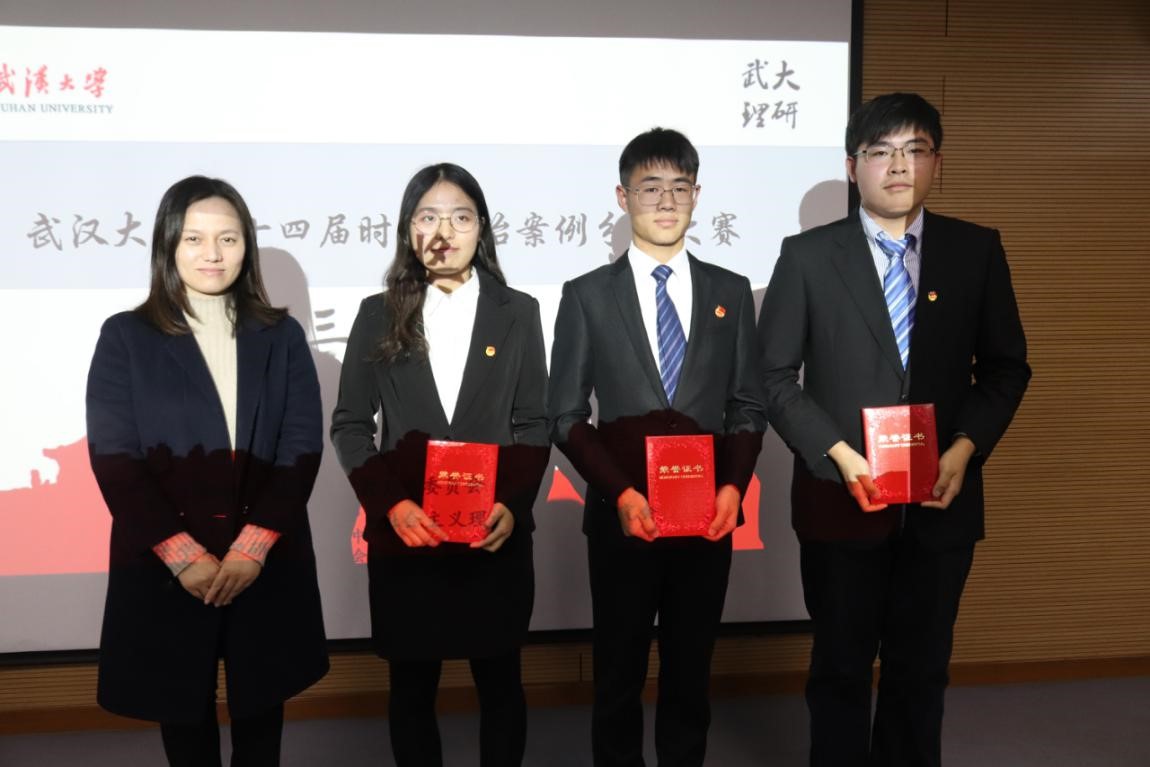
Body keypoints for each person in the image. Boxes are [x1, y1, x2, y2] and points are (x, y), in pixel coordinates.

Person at [757, 92, 1031, 766]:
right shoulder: (807, 256)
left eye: (914, 150)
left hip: (941, 500)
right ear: (853, 167)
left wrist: (965, 448)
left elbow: (1005, 369)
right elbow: (770, 376)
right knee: (840, 668)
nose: (899, 165)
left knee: (922, 669)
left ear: (937, 162)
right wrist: (837, 453)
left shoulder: (975, 250)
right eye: (880, 151)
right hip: (841, 498)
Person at [86, 175, 329, 766]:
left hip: (263, 562)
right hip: (168, 566)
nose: (212, 253)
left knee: (261, 722)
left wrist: (253, 547)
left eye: (228, 238)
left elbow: (300, 446)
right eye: (194, 238)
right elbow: (116, 459)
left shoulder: (281, 336)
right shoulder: (126, 336)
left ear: (246, 246)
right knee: (184, 725)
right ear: (168, 244)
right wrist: (182, 555)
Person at [548, 128, 767, 766]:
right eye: (650, 188)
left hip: (707, 518)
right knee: (617, 676)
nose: (666, 201)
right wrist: (619, 492)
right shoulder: (587, 295)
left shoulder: (731, 291)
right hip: (623, 516)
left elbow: (748, 404)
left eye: (679, 187)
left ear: (697, 195)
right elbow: (565, 415)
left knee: (690, 675)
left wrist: (733, 486)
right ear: (623, 198)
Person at [330, 163, 550, 767]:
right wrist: (391, 506)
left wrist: (513, 504)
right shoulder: (377, 313)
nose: (444, 231)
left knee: (501, 686)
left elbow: (534, 422)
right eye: (428, 216)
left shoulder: (519, 311)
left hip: (493, 534)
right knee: (411, 691)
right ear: (409, 230)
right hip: (410, 535)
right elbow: (350, 425)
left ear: (482, 228)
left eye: (460, 216)